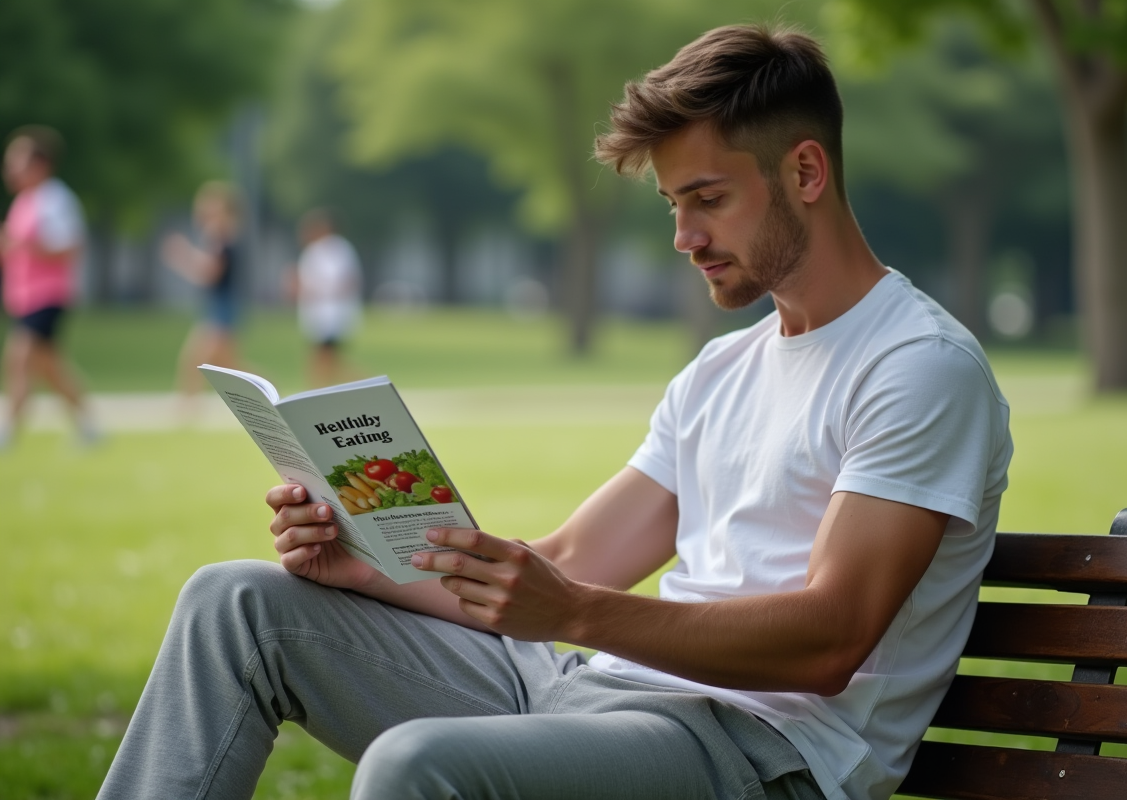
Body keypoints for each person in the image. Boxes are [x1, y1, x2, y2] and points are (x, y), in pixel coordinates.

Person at [99, 24, 1013, 800]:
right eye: (672, 204)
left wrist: (576, 615)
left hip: (760, 752)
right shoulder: (721, 369)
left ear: (806, 170)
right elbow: (569, 563)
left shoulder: (918, 368)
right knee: (235, 606)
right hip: (598, 689)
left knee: (418, 766)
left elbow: (831, 639)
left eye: (708, 200)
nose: (684, 238)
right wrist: (366, 571)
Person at [0, 126, 98, 449]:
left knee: (19, 357)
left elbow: (69, 247)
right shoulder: (22, 203)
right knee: (49, 368)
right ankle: (89, 426)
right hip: (24, 297)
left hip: (48, 295)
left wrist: (30, 245)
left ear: (40, 165)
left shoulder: (55, 200)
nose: (10, 169)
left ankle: (8, 431)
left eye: (17, 162)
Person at [162, 180, 243, 403]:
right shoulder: (218, 237)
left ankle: (187, 408)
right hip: (219, 307)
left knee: (196, 360)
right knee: (231, 367)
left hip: (222, 309)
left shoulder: (222, 238)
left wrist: (182, 255)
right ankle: (272, 391)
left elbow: (210, 273)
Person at [288, 208, 363, 387]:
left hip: (331, 315)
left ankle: (365, 386)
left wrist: (312, 289)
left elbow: (342, 282)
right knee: (326, 361)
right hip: (318, 315)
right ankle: (324, 392)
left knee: (326, 361)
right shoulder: (314, 251)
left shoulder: (336, 249)